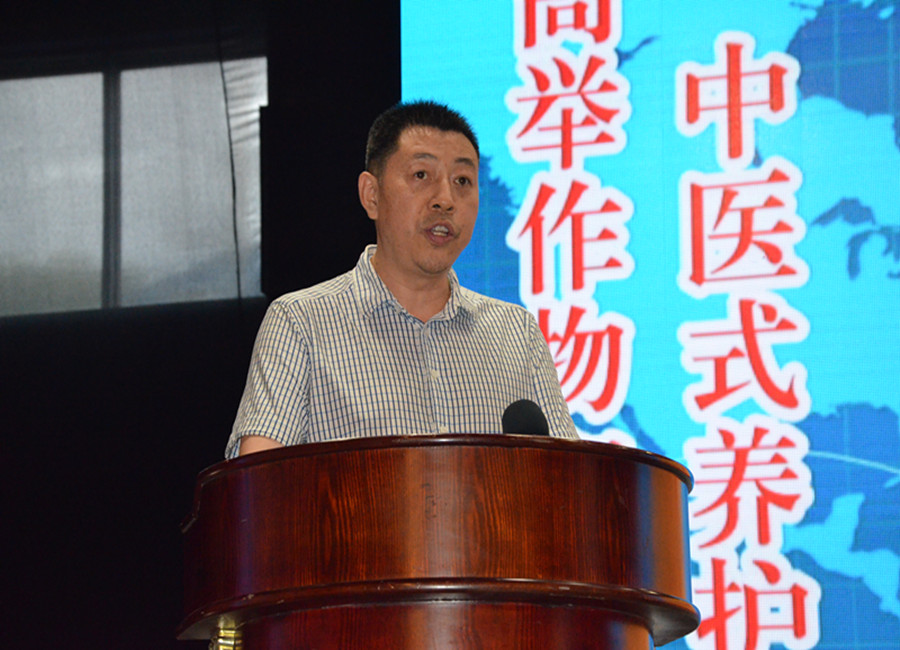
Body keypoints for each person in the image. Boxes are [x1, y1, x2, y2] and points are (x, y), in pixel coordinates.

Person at [226, 100, 577, 457]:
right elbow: (259, 477)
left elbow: (571, 475)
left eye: (462, 181)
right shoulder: (301, 323)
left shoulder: (517, 333)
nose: (445, 200)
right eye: (421, 175)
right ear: (372, 195)